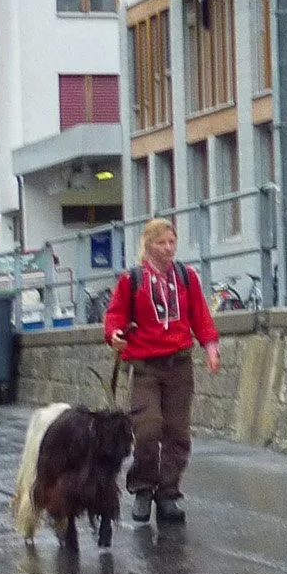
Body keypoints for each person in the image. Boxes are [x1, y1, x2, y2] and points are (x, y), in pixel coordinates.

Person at [103, 218, 221, 525]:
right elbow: (115, 314)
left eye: (172, 242)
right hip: (145, 366)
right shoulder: (132, 280)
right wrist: (114, 334)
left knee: (177, 431)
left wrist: (210, 346)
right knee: (147, 427)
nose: (168, 248)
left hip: (179, 364)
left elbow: (200, 314)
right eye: (162, 243)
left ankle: (168, 493)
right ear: (148, 245)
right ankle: (143, 488)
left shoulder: (186, 277)